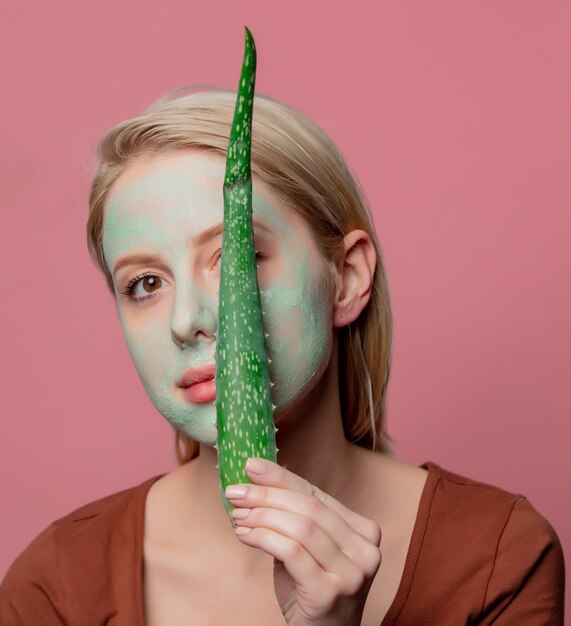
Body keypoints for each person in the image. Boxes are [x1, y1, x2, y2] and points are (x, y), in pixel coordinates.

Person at [0, 90, 565, 625]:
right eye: (146, 283)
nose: (184, 320)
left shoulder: (497, 557)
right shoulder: (56, 587)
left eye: (236, 256)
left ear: (345, 278)